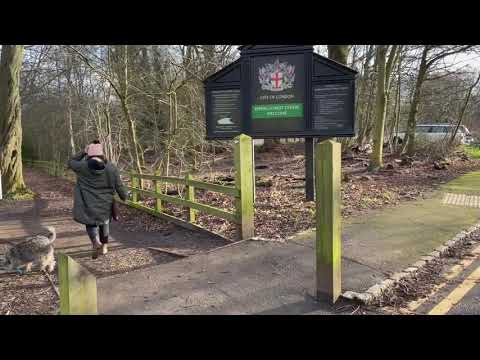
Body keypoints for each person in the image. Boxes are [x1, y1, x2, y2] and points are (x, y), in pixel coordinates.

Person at [68, 141, 128, 259]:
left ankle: (95, 242)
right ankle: (104, 247)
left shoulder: (82, 167)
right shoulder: (111, 168)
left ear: (88, 155)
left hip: (87, 203)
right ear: (102, 154)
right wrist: (124, 196)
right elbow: (119, 186)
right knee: (104, 223)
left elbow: (70, 162)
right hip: (105, 204)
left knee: (90, 223)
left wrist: (83, 152)